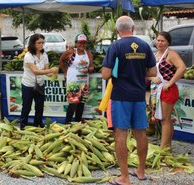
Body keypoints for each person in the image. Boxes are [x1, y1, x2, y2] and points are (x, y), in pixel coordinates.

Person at [102, 16, 157, 185]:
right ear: (133, 28)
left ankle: (124, 177)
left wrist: (120, 72)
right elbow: (153, 72)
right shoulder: (145, 46)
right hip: (139, 97)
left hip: (120, 97)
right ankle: (140, 171)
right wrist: (139, 73)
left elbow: (105, 74)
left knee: (120, 135)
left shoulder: (116, 46)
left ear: (117, 30)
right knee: (140, 134)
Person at [150, 31, 186, 148]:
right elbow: (147, 72)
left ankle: (164, 147)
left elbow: (182, 67)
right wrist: (152, 78)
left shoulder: (171, 54)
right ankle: (167, 146)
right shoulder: (155, 55)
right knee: (162, 119)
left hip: (167, 89)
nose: (159, 43)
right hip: (156, 89)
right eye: (158, 40)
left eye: (163, 41)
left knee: (165, 119)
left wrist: (170, 82)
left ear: (168, 42)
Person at [20, 33, 58, 130]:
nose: (41, 45)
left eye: (42, 42)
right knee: (26, 107)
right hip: (28, 85)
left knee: (40, 107)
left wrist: (54, 73)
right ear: (33, 44)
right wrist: (50, 71)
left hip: (40, 84)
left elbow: (46, 71)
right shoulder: (28, 56)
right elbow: (35, 71)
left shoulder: (44, 55)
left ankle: (38, 124)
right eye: (38, 43)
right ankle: (23, 126)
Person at [59, 33, 94, 123]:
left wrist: (88, 70)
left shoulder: (88, 53)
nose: (82, 45)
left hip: (84, 84)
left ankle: (78, 124)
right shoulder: (71, 52)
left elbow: (92, 67)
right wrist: (65, 72)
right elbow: (61, 61)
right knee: (73, 105)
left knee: (81, 105)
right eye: (80, 43)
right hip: (73, 83)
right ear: (76, 43)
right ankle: (67, 124)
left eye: (84, 43)